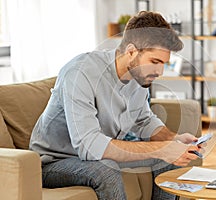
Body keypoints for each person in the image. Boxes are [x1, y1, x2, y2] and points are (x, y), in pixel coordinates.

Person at [29, 11, 202, 200]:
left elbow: (143, 121)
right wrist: (162, 149)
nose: (160, 71)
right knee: (106, 171)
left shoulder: (138, 78)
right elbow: (89, 146)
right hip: (53, 162)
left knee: (170, 162)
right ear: (131, 51)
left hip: (98, 157)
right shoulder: (80, 73)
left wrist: (173, 139)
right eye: (155, 62)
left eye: (164, 64)